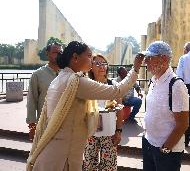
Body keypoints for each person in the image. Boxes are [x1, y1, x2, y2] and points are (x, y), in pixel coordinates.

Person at [26, 41, 144, 171]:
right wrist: (136, 68)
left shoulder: (60, 78)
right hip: (63, 156)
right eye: (89, 56)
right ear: (75, 58)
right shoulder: (76, 82)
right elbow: (117, 91)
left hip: (54, 150)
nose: (92, 60)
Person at [141, 41, 189, 171]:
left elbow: (183, 124)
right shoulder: (153, 81)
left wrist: (166, 148)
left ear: (164, 58)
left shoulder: (176, 85)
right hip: (149, 143)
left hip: (167, 149)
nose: (146, 62)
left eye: (150, 58)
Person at [82, 54, 123, 171]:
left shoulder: (113, 85)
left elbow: (119, 111)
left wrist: (119, 131)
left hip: (109, 134)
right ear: (91, 67)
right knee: (90, 166)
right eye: (98, 64)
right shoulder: (87, 85)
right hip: (90, 134)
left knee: (109, 167)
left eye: (104, 63)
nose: (102, 67)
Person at [26, 42, 62, 141]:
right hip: (44, 124)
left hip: (65, 124)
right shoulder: (37, 75)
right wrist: (32, 127)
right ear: (48, 54)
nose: (58, 55)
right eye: (55, 52)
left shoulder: (66, 74)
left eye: (60, 52)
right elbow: (31, 101)